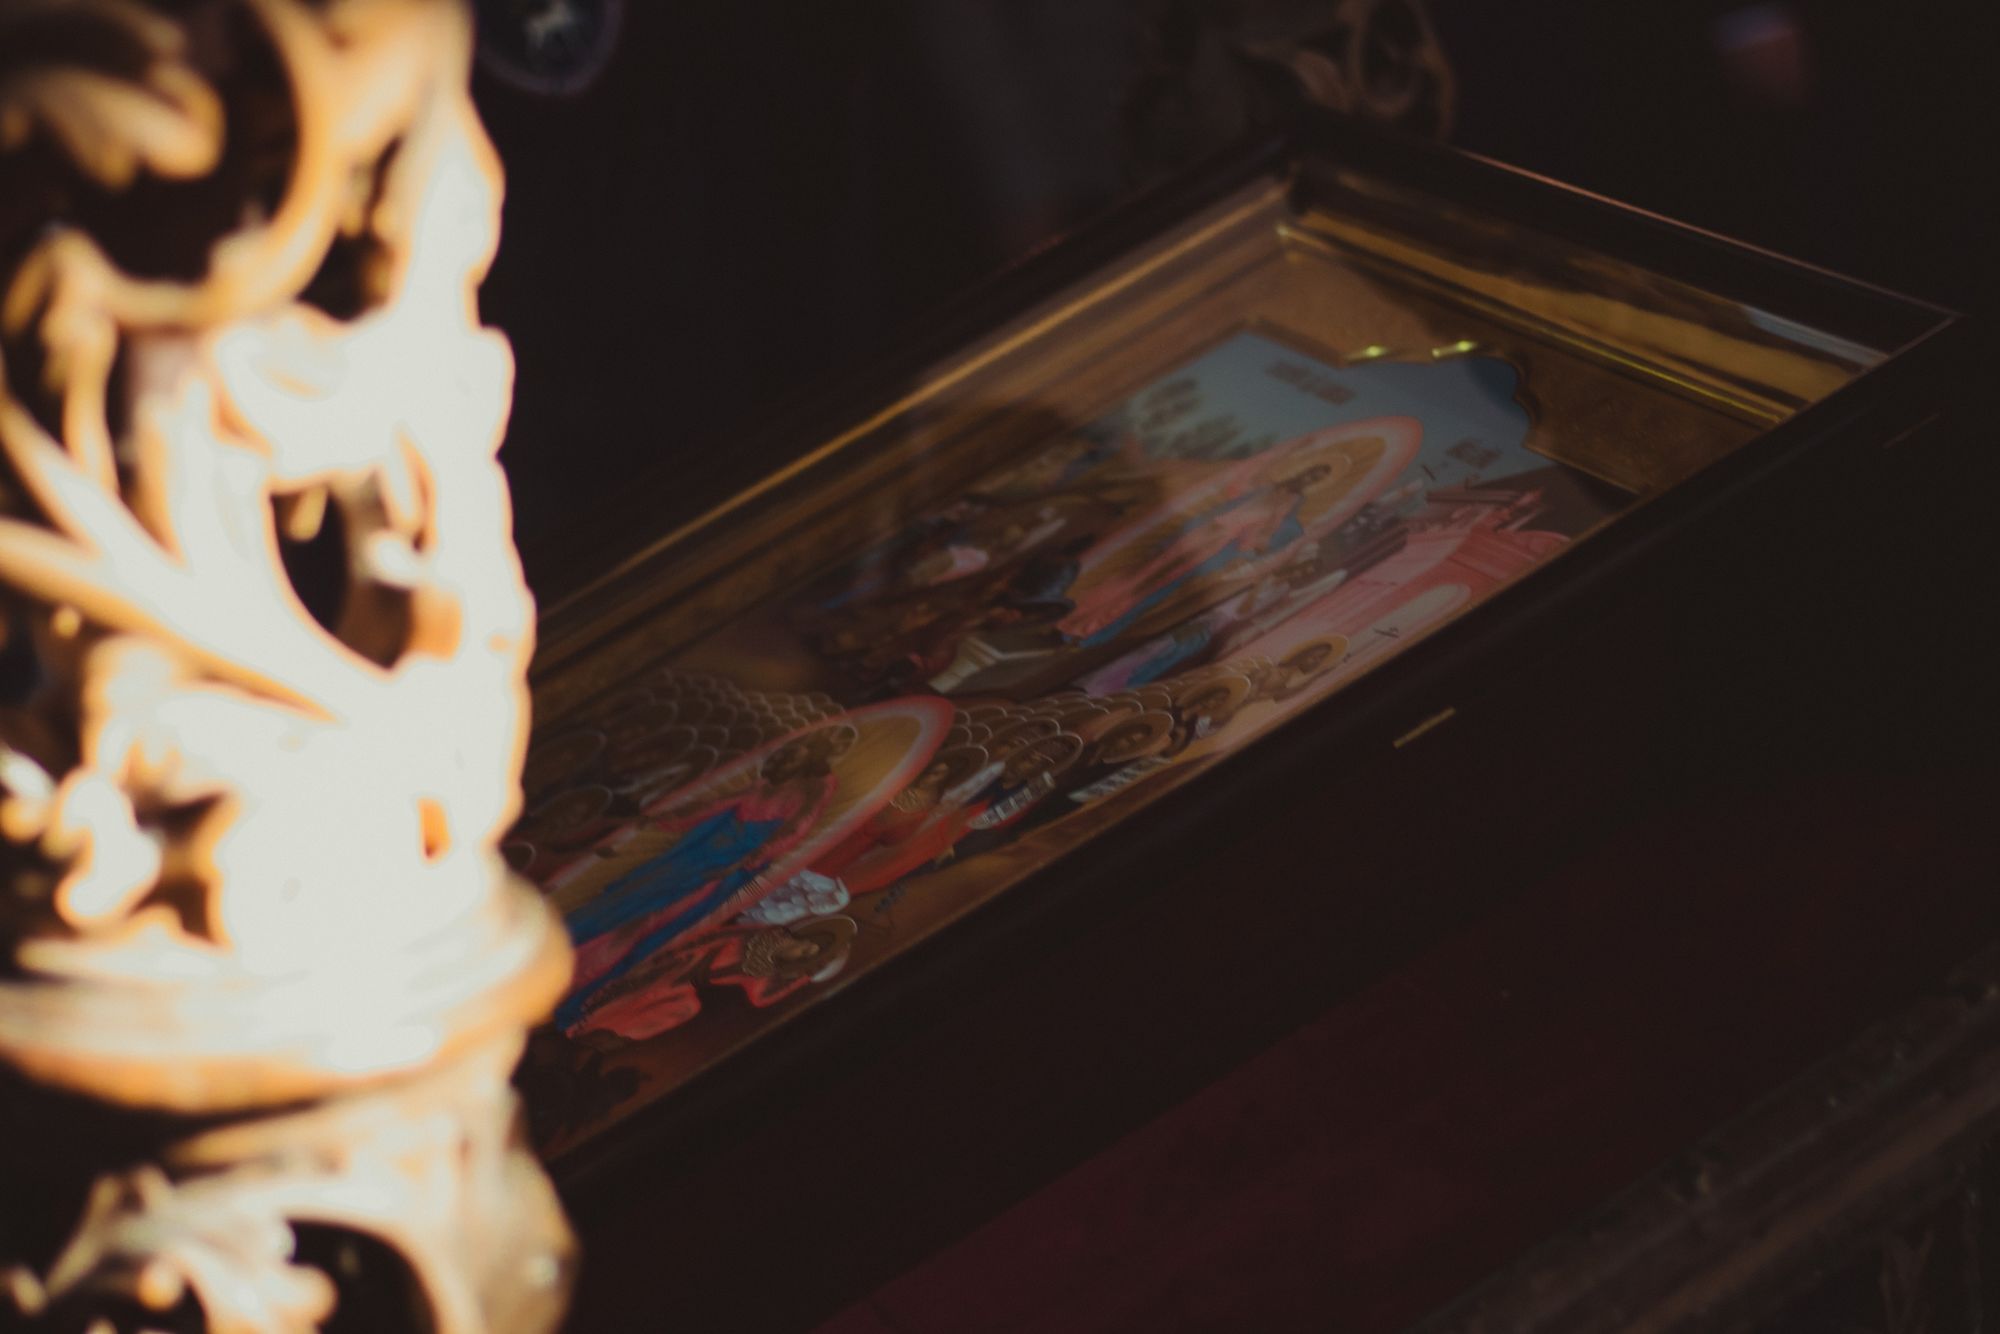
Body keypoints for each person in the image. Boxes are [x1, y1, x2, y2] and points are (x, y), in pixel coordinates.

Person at [555, 724, 857, 1032]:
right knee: (627, 896)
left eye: (802, 750)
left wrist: (747, 860)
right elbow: (718, 805)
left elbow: (795, 828)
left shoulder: (817, 786)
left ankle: (577, 986)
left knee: (651, 921)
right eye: (791, 751)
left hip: (728, 866)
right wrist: (662, 820)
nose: (788, 757)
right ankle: (560, 945)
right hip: (699, 852)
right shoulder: (772, 779)